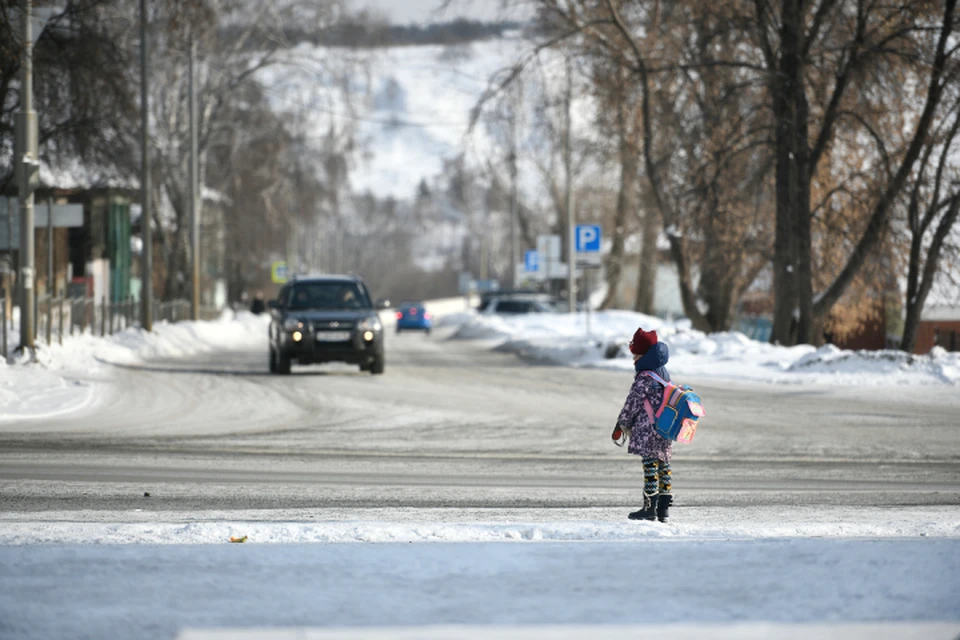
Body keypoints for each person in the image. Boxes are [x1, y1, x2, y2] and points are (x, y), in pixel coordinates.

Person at [613, 327, 674, 522]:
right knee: (663, 464)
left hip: (648, 428)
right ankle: (664, 508)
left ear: (645, 355)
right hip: (665, 426)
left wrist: (621, 423)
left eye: (636, 355)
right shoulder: (663, 374)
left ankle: (649, 507)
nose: (633, 359)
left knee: (649, 465)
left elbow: (633, 402)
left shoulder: (645, 377)